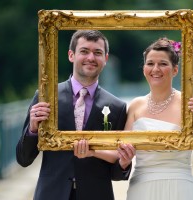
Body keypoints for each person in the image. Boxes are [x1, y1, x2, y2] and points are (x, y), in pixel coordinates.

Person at [16, 30, 134, 200]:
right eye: (84, 51)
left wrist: (124, 163)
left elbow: (116, 173)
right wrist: (33, 129)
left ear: (105, 59)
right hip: (51, 194)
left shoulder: (117, 107)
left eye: (98, 53)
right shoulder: (45, 97)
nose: (91, 58)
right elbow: (23, 159)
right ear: (71, 55)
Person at [117, 37, 193, 200]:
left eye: (163, 64)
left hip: (179, 187)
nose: (155, 69)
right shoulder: (135, 106)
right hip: (141, 187)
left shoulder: (189, 105)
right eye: (150, 63)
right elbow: (123, 154)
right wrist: (123, 159)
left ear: (175, 70)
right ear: (144, 68)